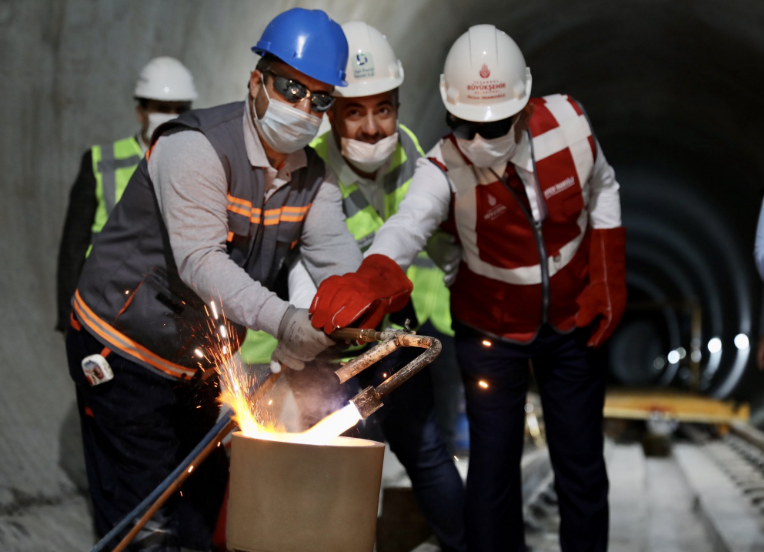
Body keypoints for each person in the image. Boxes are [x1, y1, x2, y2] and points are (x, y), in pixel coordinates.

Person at [65, 9, 410, 551]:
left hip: (198, 359)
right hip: (122, 351)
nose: (303, 108)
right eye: (290, 88)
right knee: (146, 522)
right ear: (256, 82)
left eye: (319, 99)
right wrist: (287, 323)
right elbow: (201, 261)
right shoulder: (194, 147)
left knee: (203, 515)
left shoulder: (313, 181)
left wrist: (350, 316)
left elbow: (337, 265)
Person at [310, 24, 626, 552]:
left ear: (523, 108)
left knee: (581, 464)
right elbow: (408, 225)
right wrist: (373, 275)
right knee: (492, 472)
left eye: (494, 126)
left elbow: (604, 187)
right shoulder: (442, 166)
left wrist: (609, 276)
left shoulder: (569, 125)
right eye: (464, 125)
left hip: (573, 324)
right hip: (491, 332)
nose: (476, 141)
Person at [285, 21, 466, 552]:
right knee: (344, 460)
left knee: (427, 452)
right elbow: (302, 260)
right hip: (336, 341)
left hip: (407, 334)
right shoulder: (310, 171)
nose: (370, 127)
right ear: (332, 113)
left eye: (382, 108)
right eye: (354, 111)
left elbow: (446, 249)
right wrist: (307, 329)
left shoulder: (417, 158)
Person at [56, 57, 197, 332]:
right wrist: (67, 315)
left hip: (163, 311)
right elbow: (72, 249)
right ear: (140, 111)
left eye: (179, 108)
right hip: (101, 302)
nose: (170, 115)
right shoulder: (100, 162)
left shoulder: (198, 164)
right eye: (161, 107)